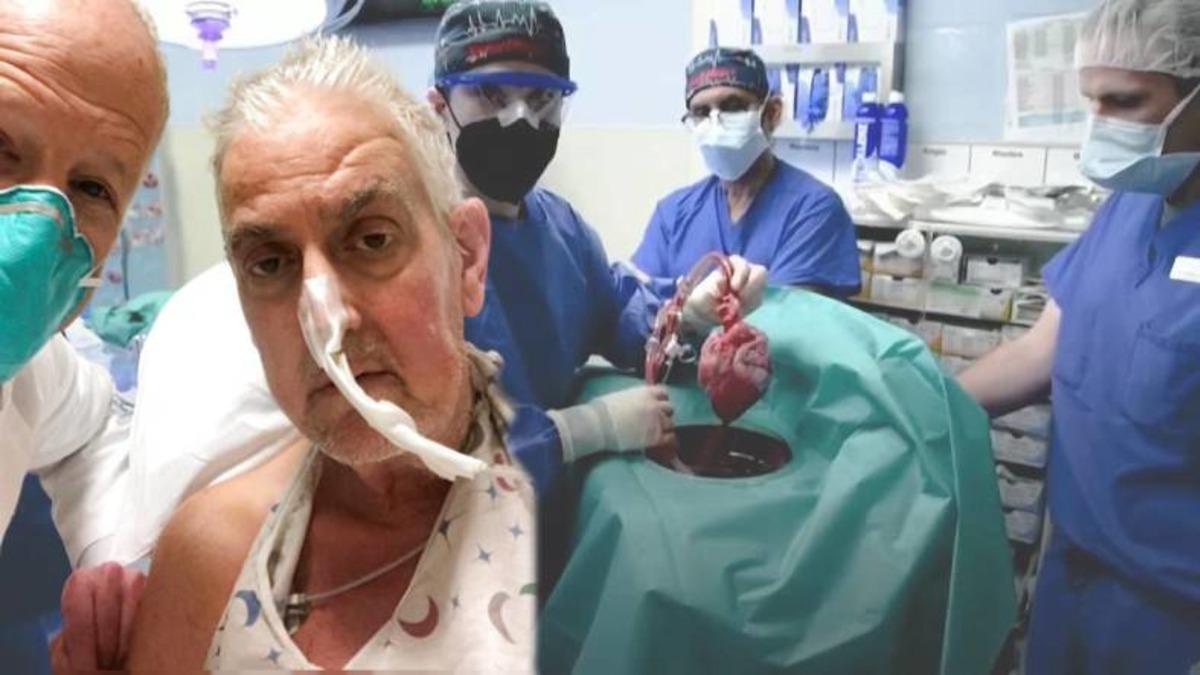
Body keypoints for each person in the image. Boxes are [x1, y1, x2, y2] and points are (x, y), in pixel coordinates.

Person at [126, 36, 536, 671]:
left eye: (372, 240)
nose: (329, 323)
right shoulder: (209, 558)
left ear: (467, 258)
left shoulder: (568, 534)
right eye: (270, 263)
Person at [959, 0, 1200, 671]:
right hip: (1074, 573)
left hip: (1174, 612)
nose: (1100, 125)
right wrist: (921, 401)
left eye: (1125, 102)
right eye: (1090, 100)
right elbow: (1040, 351)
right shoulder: (1129, 205)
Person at [0, 0, 168, 670]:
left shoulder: (30, 373)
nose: (37, 229)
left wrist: (113, 569)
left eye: (92, 187)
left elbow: (90, 432)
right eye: (0, 146)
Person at [632, 47, 861, 296]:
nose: (716, 124)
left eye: (733, 106)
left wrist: (687, 311)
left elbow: (786, 314)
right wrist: (685, 313)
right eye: (701, 112)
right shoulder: (674, 213)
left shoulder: (813, 210)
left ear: (771, 114)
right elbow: (639, 303)